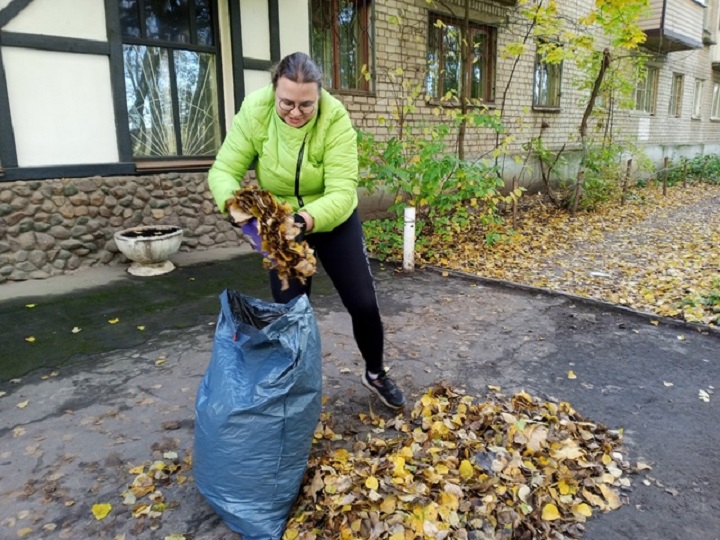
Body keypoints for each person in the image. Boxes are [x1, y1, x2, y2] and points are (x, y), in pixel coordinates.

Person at [208, 51, 406, 409]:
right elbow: (223, 171)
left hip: (330, 218)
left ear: (319, 98)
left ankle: (375, 373)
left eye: (306, 105)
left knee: (362, 302)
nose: (296, 113)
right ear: (274, 92)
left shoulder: (336, 119)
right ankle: (295, 393)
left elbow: (343, 192)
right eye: (287, 103)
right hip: (279, 222)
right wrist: (238, 211)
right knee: (291, 313)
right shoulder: (255, 111)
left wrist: (303, 221)